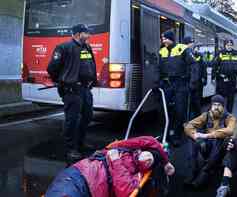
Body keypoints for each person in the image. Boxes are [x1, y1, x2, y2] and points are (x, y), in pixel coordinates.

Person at [45, 136, 175, 197]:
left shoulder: (137, 175)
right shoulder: (123, 147)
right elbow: (151, 140)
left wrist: (116, 161)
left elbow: (125, 191)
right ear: (142, 150)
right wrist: (166, 161)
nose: (148, 159)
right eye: (150, 155)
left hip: (90, 190)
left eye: (151, 162)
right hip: (77, 176)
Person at [47, 24, 97, 160]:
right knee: (72, 120)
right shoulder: (64, 47)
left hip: (85, 89)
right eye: (86, 33)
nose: (89, 35)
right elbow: (52, 68)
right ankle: (71, 148)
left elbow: (91, 64)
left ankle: (80, 143)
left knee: (87, 116)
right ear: (78, 34)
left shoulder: (87, 47)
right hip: (71, 90)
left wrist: (93, 79)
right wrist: (61, 80)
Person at [184, 95, 236, 188]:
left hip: (220, 151)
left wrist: (207, 135)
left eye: (219, 105)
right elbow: (188, 125)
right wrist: (197, 138)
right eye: (214, 104)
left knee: (221, 138)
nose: (216, 107)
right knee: (191, 137)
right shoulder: (206, 115)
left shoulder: (229, 117)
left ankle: (206, 171)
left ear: (223, 106)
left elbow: (230, 130)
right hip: (207, 146)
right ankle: (193, 168)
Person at [157, 30, 196, 147]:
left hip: (181, 84)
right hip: (167, 85)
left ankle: (177, 135)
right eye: (162, 39)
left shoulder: (182, 49)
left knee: (180, 111)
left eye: (165, 38)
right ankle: (166, 134)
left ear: (171, 39)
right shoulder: (162, 51)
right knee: (163, 110)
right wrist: (157, 82)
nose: (163, 41)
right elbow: (158, 68)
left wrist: (192, 82)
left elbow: (193, 65)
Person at [212, 40, 237, 112]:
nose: (229, 46)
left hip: (232, 79)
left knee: (231, 98)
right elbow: (215, 65)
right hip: (221, 78)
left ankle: (229, 114)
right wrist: (213, 77)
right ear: (225, 45)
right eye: (227, 45)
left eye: (230, 45)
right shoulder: (220, 53)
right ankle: (219, 113)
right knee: (220, 98)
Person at [183, 36, 207, 119]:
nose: (192, 46)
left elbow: (203, 68)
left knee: (196, 102)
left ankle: (198, 119)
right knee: (190, 102)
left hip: (197, 82)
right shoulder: (187, 53)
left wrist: (204, 78)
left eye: (193, 44)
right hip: (190, 82)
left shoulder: (198, 56)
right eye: (191, 43)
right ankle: (191, 119)